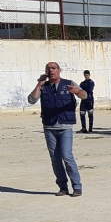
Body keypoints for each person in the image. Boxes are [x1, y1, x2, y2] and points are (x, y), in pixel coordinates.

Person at [27, 62, 87, 196]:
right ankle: (63, 187)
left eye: (54, 68)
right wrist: (39, 85)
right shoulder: (43, 86)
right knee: (55, 159)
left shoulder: (68, 83)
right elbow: (31, 100)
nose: (51, 70)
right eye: (48, 69)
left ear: (59, 70)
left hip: (65, 126)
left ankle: (77, 186)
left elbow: (85, 95)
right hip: (49, 126)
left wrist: (77, 91)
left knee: (67, 155)